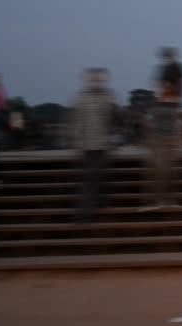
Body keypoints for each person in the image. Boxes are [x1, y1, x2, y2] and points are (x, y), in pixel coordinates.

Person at [141, 47, 182, 210]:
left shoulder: (177, 96)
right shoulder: (158, 99)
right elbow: (149, 119)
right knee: (159, 170)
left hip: (172, 137)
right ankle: (158, 200)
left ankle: (170, 200)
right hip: (159, 138)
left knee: (172, 170)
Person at [71, 68, 118, 223]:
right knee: (90, 178)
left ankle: (99, 202)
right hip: (88, 145)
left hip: (103, 144)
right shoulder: (81, 98)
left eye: (99, 79)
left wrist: (113, 140)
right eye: (93, 79)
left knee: (99, 176)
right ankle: (84, 213)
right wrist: (77, 143)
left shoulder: (108, 97)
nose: (96, 82)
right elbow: (77, 122)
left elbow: (113, 119)